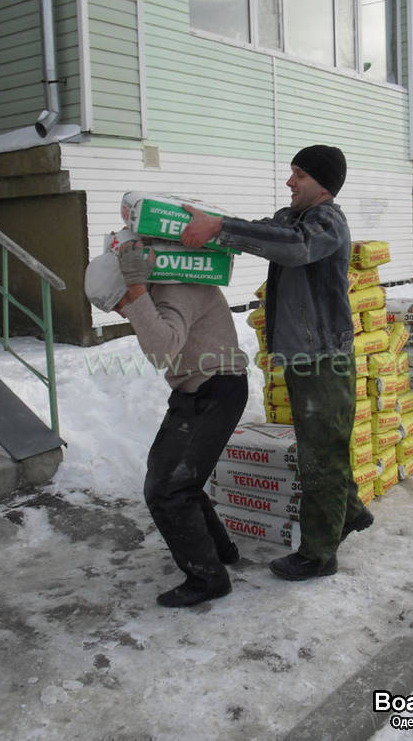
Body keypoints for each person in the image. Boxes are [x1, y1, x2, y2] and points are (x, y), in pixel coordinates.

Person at [180, 144, 373, 582]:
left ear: (323, 185)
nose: (289, 182)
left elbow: (295, 247)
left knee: (320, 457)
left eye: (299, 175)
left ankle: (319, 556)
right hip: (305, 357)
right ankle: (350, 512)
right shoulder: (294, 219)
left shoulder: (327, 223)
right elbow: (267, 231)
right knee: (322, 446)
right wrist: (215, 227)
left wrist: (221, 228)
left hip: (325, 360)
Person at [84, 243, 248, 606]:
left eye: (121, 303)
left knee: (166, 489)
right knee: (173, 479)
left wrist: (136, 293)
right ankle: (220, 552)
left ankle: (208, 579)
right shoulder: (163, 285)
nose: (125, 312)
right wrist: (136, 294)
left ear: (133, 281)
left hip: (216, 389)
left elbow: (161, 351)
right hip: (197, 390)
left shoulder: (176, 288)